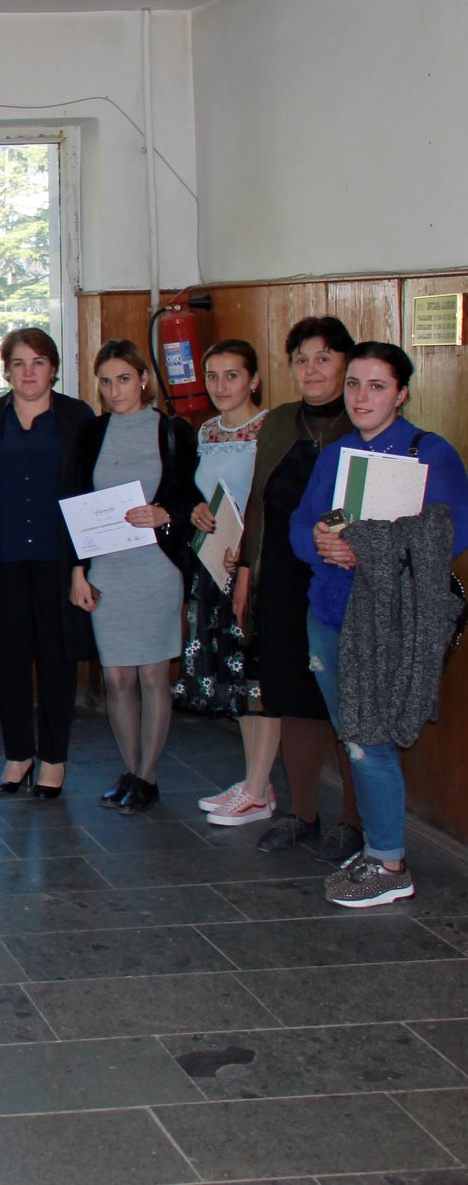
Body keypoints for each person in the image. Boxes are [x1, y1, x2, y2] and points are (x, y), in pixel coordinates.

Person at [291, 342, 468, 907]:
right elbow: (303, 525)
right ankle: (377, 848)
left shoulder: (429, 453)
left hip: (387, 622)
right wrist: (320, 543)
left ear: (402, 394)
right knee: (354, 735)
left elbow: (449, 536)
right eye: (354, 384)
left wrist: (365, 550)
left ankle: (389, 861)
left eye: (377, 386)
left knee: (370, 741)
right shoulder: (336, 452)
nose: (362, 397)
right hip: (329, 613)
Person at [236, 317, 363, 860]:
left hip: (344, 583)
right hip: (282, 581)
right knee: (292, 698)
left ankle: (353, 822)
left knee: (350, 704)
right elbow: (258, 504)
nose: (311, 370)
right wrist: (246, 572)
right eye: (301, 359)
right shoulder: (279, 422)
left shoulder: (362, 423)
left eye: (324, 358)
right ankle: (303, 813)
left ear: (345, 364)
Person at [0, 328, 96, 799]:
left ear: (53, 369)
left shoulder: (78, 417)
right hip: (3, 561)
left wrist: (83, 564)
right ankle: (18, 755)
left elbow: (89, 489)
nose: (28, 372)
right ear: (6, 371)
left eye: (38, 362)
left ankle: (53, 760)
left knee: (57, 660)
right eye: (18, 363)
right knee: (9, 660)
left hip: (61, 560)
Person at [75, 340, 201, 815]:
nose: (114, 391)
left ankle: (148, 776)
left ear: (144, 380)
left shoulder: (171, 431)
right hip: (108, 567)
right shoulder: (92, 433)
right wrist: (77, 570)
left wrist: (165, 512)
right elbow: (75, 500)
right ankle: (130, 771)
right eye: (106, 382)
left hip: (155, 566)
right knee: (115, 678)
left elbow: (192, 497)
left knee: (152, 674)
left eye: (124, 379)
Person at [176, 341, 278, 825]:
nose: (221, 386)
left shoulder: (270, 428)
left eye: (232, 375)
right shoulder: (207, 430)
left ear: (253, 380)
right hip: (214, 564)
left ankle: (258, 788)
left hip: (253, 564)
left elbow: (269, 500)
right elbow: (205, 494)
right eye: (212, 376)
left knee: (259, 675)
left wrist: (249, 553)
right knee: (235, 675)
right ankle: (254, 780)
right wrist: (196, 511)